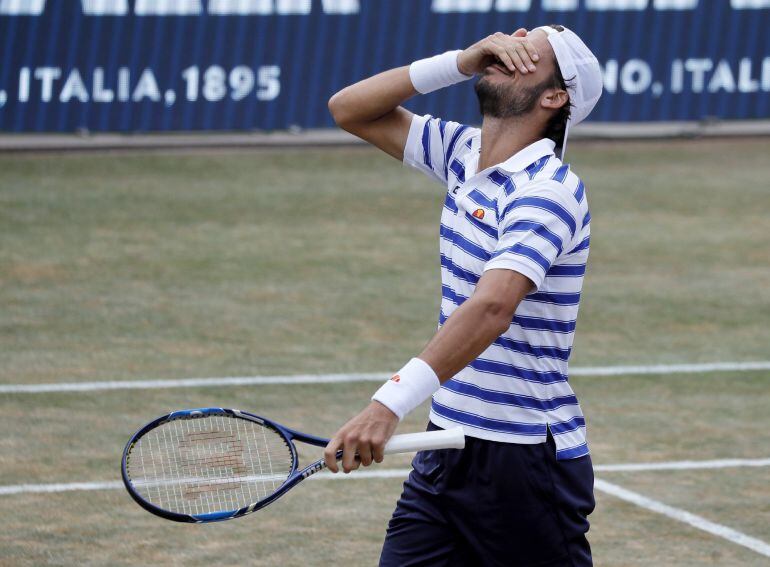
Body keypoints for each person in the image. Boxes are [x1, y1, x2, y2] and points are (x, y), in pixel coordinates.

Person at [324, 25, 603, 566]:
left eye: (525, 54)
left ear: (554, 96)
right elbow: (348, 109)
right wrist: (458, 61)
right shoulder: (462, 153)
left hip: (524, 463)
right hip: (445, 445)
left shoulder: (547, 191)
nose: (504, 50)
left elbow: (492, 307)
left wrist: (388, 404)